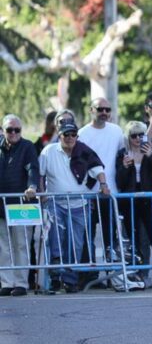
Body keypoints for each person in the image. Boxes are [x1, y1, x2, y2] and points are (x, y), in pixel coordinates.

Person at [39, 120, 110, 293]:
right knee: (55, 240)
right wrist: (43, 195)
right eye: (66, 135)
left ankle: (70, 280)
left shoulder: (84, 150)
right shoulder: (48, 151)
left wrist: (103, 184)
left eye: (73, 135)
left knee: (76, 244)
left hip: (80, 204)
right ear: (59, 135)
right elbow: (40, 174)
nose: (70, 138)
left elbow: (98, 168)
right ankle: (55, 278)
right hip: (55, 203)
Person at [78, 97, 124, 285]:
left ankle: (111, 276)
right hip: (88, 194)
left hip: (110, 193)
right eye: (100, 109)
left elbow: (122, 157)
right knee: (87, 237)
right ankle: (89, 275)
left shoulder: (117, 131)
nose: (104, 112)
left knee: (109, 237)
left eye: (107, 109)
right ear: (91, 110)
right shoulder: (82, 133)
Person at [115, 121, 152, 288]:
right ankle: (138, 274)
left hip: (147, 198)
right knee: (133, 239)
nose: (137, 139)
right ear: (128, 137)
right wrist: (124, 166)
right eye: (133, 135)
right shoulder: (123, 153)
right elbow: (120, 181)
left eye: (140, 135)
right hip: (129, 199)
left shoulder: (149, 150)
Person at [0, 115, 39, 296]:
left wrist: (32, 186)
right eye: (10, 130)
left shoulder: (27, 146)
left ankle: (21, 283)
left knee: (21, 244)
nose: (14, 133)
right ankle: (6, 283)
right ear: (3, 130)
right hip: (2, 205)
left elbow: (33, 168)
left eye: (17, 130)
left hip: (22, 206)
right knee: (4, 246)